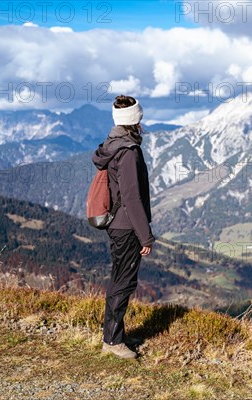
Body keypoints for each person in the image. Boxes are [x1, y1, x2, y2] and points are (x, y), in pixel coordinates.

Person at [92, 95, 155, 359]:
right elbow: (131, 197)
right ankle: (113, 341)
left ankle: (116, 335)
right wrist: (146, 236)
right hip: (127, 227)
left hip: (117, 224)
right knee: (123, 282)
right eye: (139, 118)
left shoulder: (112, 144)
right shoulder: (128, 152)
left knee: (120, 279)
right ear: (134, 120)